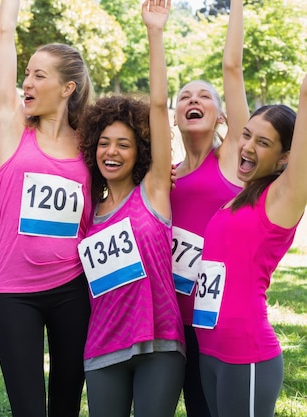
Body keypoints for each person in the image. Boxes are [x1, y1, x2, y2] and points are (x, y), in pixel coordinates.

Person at [76, 2, 185, 416]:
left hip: (161, 343)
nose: (112, 151)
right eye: (104, 143)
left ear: (140, 150)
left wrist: (154, 33)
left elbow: (158, 108)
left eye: (123, 144)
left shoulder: (154, 191)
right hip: (103, 346)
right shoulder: (87, 212)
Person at [0, 0, 93, 415]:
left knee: (66, 405)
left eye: (38, 75)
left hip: (74, 288)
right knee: (28, 409)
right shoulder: (14, 128)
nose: (26, 83)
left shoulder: (92, 143)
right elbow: (3, 37)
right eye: (26, 73)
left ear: (67, 88)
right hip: (14, 292)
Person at [194, 71, 307, 415]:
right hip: (210, 350)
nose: (246, 146)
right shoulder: (239, 198)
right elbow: (231, 68)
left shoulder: (283, 196)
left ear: (285, 157)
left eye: (263, 142)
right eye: (246, 135)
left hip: (246, 354)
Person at [170, 2, 248, 415]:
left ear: (220, 115)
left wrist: (236, 5)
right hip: (176, 318)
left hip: (220, 315)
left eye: (204, 96)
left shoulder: (233, 155)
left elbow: (231, 69)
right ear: (177, 114)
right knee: (197, 406)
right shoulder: (165, 176)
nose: (193, 100)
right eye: (185, 96)